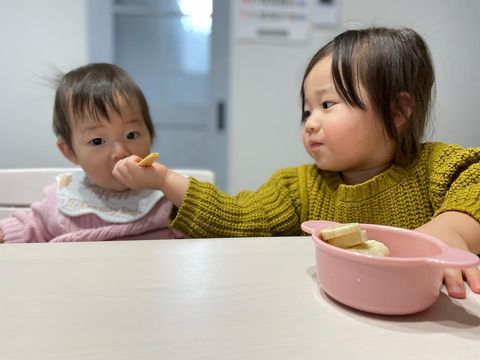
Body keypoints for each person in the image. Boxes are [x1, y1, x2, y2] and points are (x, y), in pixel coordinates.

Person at [112, 27, 480, 299]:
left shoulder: (437, 167)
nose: (311, 122)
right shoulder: (297, 186)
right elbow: (239, 217)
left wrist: (452, 231)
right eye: (306, 110)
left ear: (397, 110)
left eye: (328, 104)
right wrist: (165, 181)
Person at [0, 63, 182, 243]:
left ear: (150, 135)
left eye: (131, 135)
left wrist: (166, 182)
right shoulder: (62, 199)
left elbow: (205, 229)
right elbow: (31, 229)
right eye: (97, 141)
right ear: (70, 152)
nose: (120, 153)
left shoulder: (166, 197)